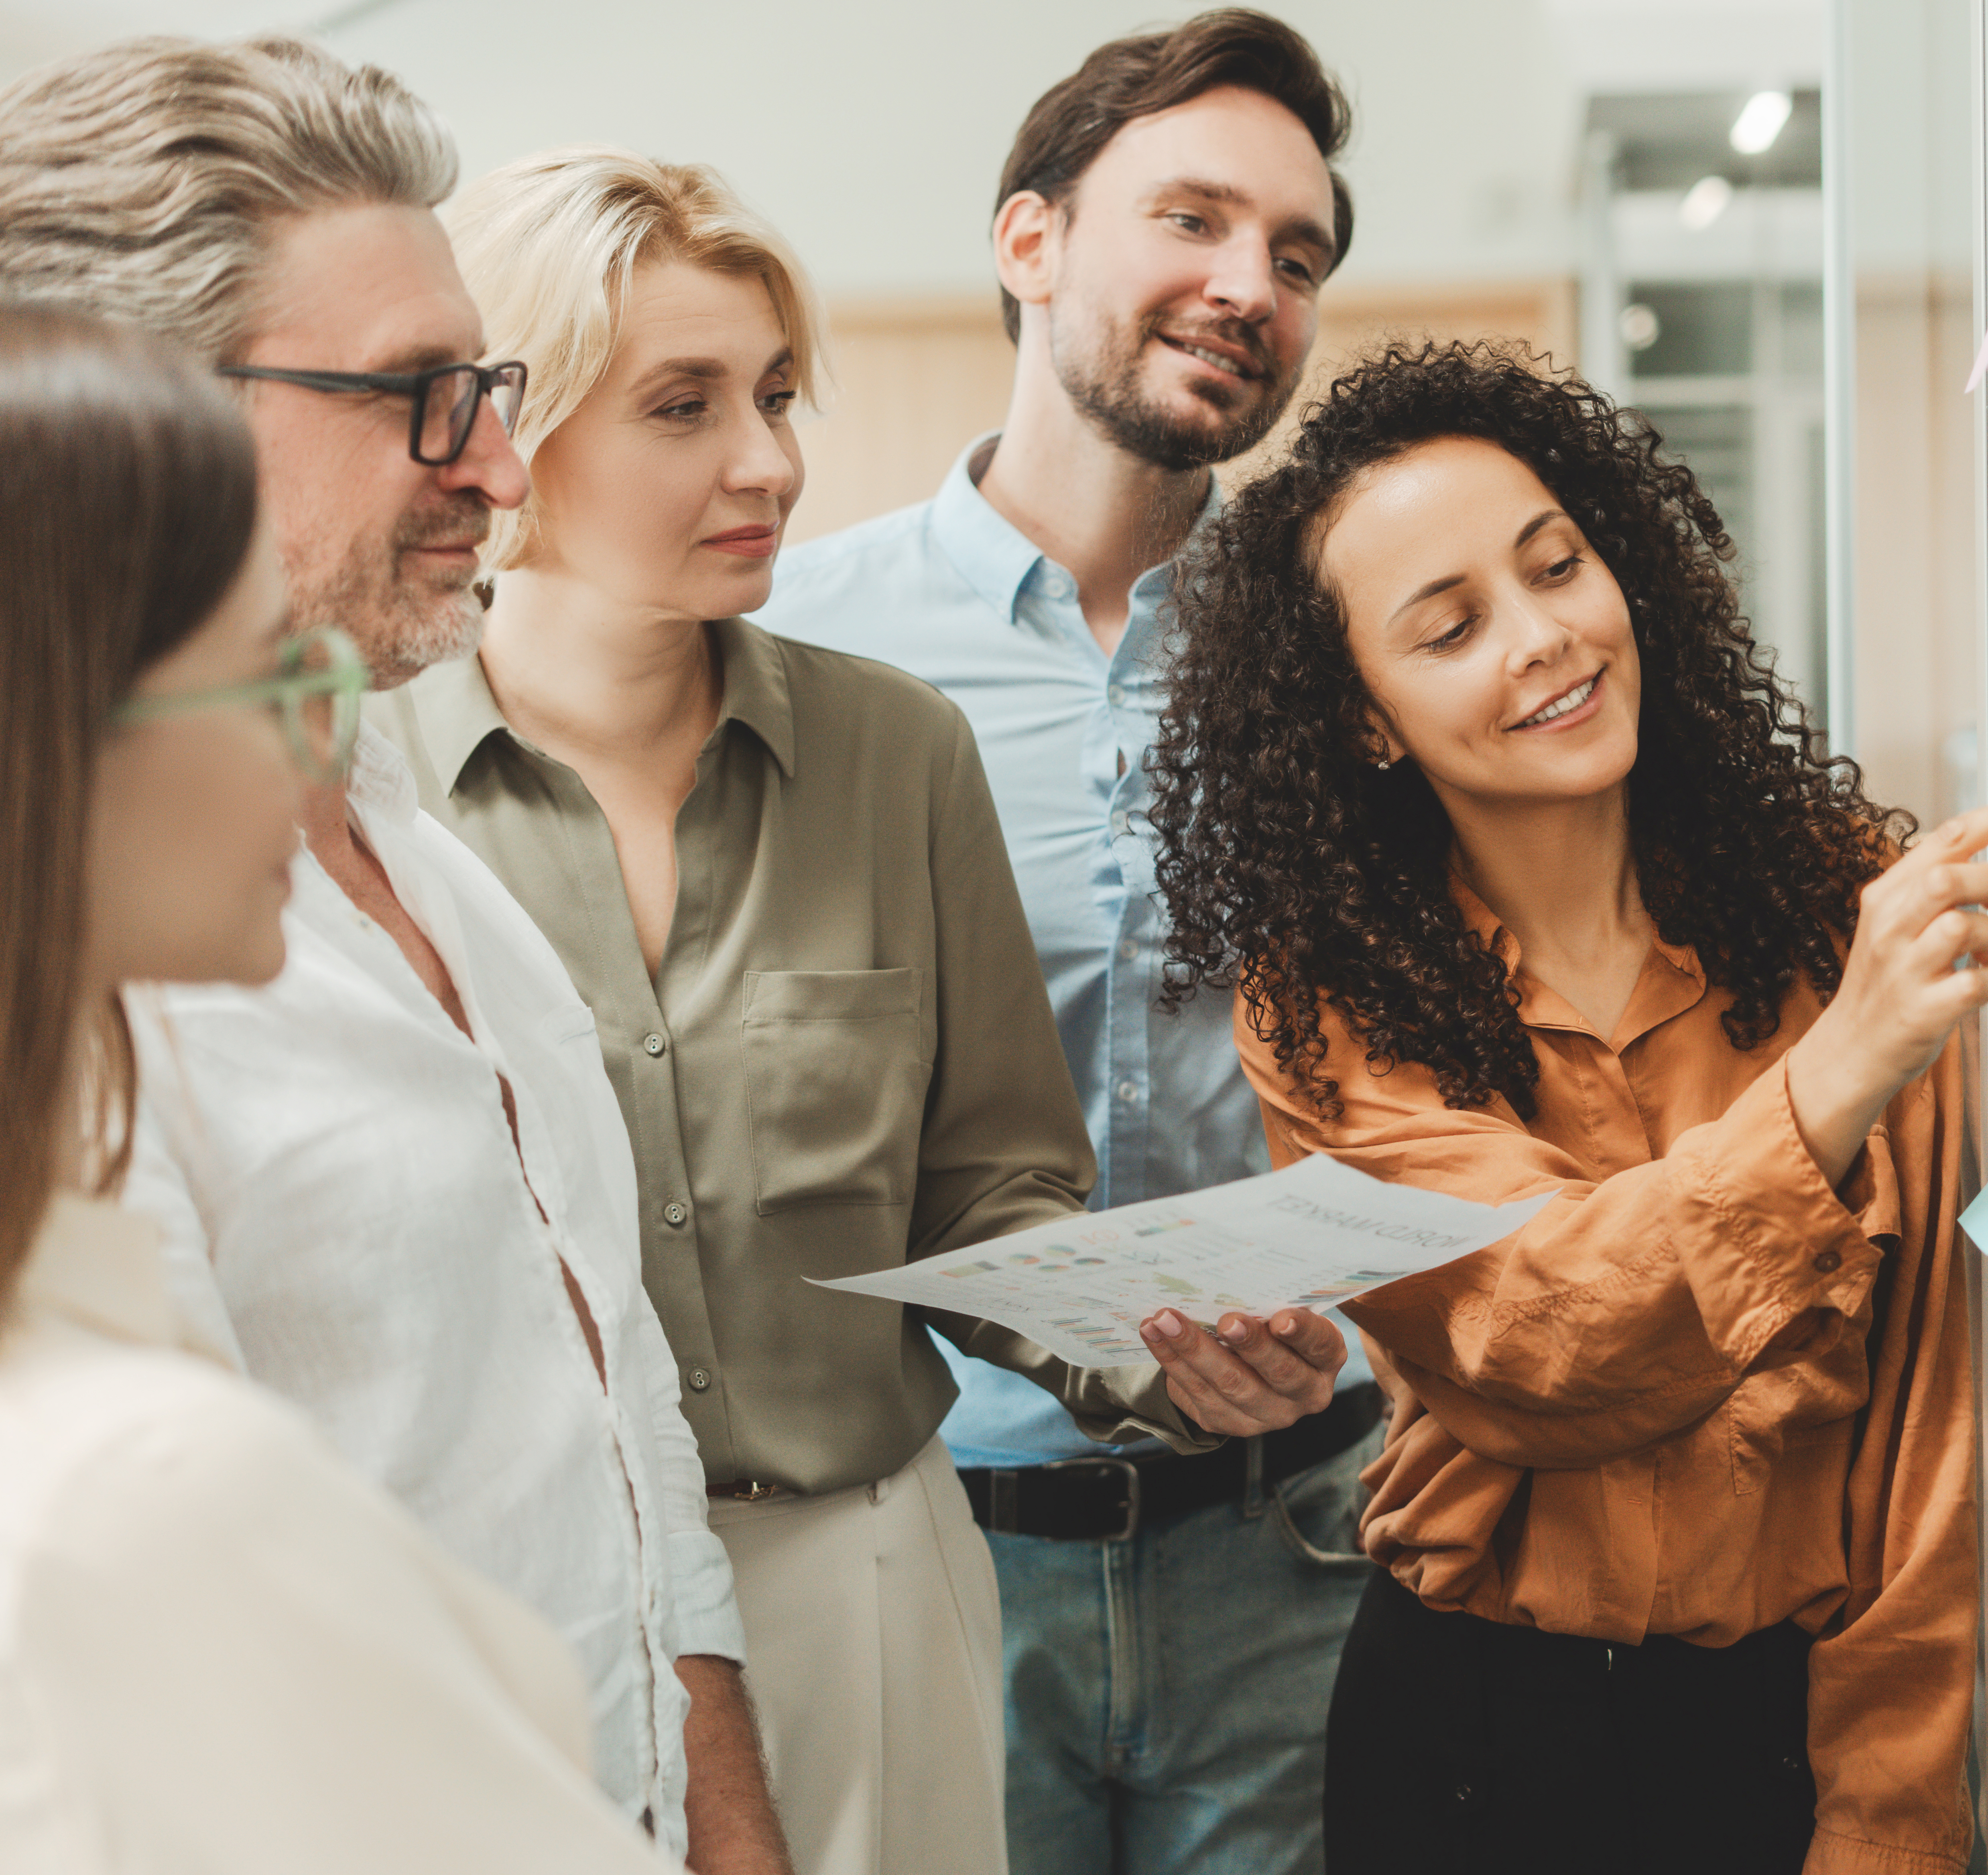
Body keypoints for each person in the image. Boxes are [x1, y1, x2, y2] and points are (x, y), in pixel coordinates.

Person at [389, 146, 1348, 1875]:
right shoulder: (368, 792)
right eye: (684, 405)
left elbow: (991, 1188)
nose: (769, 460)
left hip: (871, 1579)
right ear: (510, 432)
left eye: (773, 394)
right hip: (521, 1605)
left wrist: (1158, 1348)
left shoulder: (895, 752)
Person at [0, 37, 787, 1867]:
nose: (504, 470)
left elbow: (614, 1390)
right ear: (137, 414)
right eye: (422, 397)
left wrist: (721, 1803)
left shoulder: (436, 857)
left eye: (489, 386)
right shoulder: (99, 993)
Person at [1149, 339, 1988, 1874]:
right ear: (1365, 720)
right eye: (1449, 629)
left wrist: (1896, 1810)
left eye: (1558, 567)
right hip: (1480, 1736)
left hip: (1807, 1718)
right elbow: (1535, 1337)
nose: (1545, 640)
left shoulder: (1847, 912)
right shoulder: (1324, 1007)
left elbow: (1944, 1427)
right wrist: (1847, 1066)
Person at [755, 15, 1387, 1872]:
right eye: (1189, 218)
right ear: (1027, 241)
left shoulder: (1350, 644)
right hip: (947, 1541)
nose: (1244, 285)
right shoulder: (799, 644)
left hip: (1301, 1547)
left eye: (1294, 254)